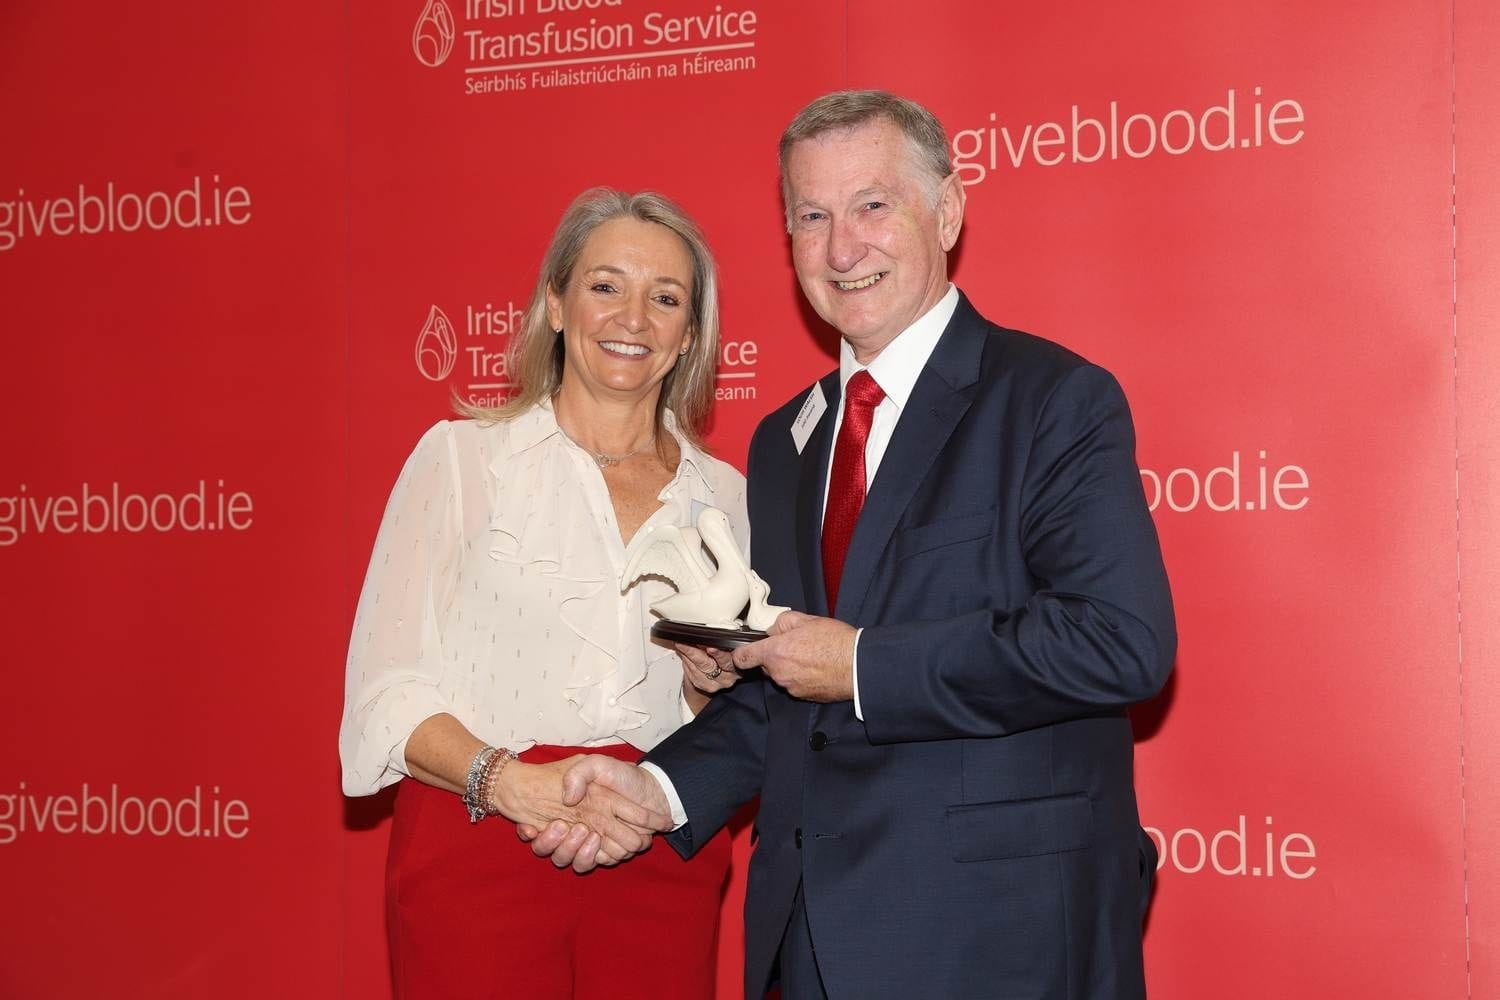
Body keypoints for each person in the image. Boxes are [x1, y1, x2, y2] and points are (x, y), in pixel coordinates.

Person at [529, 92, 1177, 999]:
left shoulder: (1052, 400)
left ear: (946, 212)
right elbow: (788, 685)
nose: (842, 248)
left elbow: (1120, 643)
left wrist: (866, 663)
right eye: (812, 216)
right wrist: (659, 791)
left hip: (1000, 941)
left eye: (873, 205)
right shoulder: (785, 442)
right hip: (808, 942)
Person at [339, 188, 749, 999]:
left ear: (689, 336)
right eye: (605, 286)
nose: (632, 316)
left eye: (665, 298)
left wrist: (712, 688)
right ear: (555, 304)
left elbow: (723, 722)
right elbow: (385, 692)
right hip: (479, 844)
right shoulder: (462, 461)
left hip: (656, 853)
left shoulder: (728, 498)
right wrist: (508, 783)